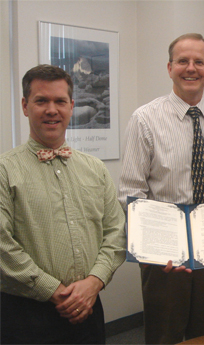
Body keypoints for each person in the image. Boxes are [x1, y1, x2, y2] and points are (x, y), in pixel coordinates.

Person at [118, 33, 204, 344]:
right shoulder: (145, 120)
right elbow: (130, 192)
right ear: (169, 68)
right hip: (164, 257)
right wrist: (155, 245)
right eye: (183, 61)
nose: (191, 68)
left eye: (199, 62)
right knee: (165, 334)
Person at [0, 64, 126, 344]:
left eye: (59, 101)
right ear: (25, 106)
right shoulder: (5, 170)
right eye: (41, 101)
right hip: (26, 315)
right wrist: (54, 290)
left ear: (71, 106)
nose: (51, 110)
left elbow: (116, 232)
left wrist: (94, 282)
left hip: (89, 306)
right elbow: (2, 245)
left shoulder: (94, 168)